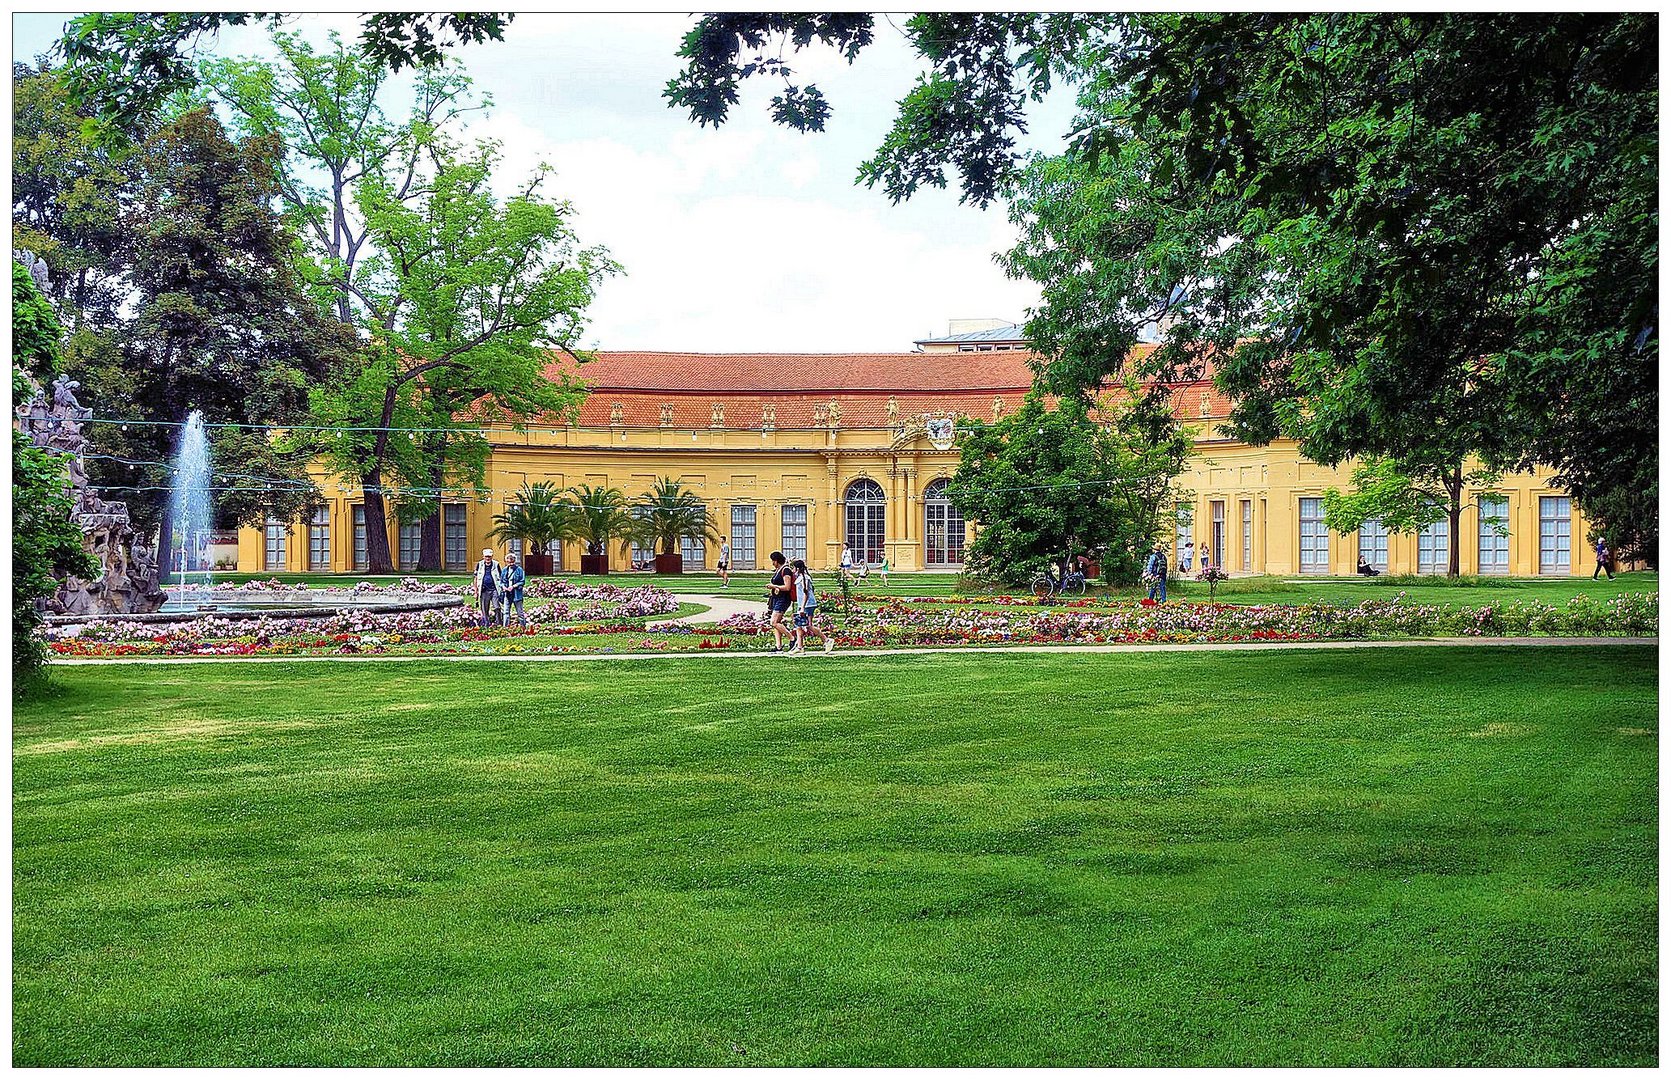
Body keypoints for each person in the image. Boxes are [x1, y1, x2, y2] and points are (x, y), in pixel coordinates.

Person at [790, 558, 825, 653]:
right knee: (798, 625)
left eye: (793, 567)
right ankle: (800, 647)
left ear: (797, 568)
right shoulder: (800, 577)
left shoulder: (805, 578)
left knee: (808, 626)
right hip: (803, 604)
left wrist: (802, 607)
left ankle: (826, 640)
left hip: (807, 605)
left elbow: (806, 594)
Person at [766, 550, 793, 652]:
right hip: (777, 598)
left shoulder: (785, 570)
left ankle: (792, 638)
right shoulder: (778, 570)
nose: (772, 563)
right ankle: (778, 646)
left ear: (776, 561)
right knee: (777, 622)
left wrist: (774, 586)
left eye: (773, 561)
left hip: (783, 599)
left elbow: (787, 587)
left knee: (773, 622)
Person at [473, 548, 502, 628]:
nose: (488, 558)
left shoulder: (496, 564)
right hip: (484, 590)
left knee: (497, 607)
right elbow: (475, 578)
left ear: (492, 557)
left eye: (489, 557)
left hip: (494, 589)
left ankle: (499, 623)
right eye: (486, 557)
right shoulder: (479, 565)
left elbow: (501, 576)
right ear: (483, 557)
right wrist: (476, 591)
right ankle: (486, 623)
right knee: (484, 609)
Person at [501, 552, 528, 626]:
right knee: (506, 612)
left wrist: (513, 586)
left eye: (512, 562)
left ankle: (523, 627)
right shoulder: (504, 570)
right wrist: (503, 586)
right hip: (507, 594)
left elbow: (522, 581)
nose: (511, 564)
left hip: (517, 594)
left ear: (514, 561)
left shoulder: (519, 570)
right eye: (509, 562)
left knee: (520, 613)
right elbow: (501, 581)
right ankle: (505, 628)